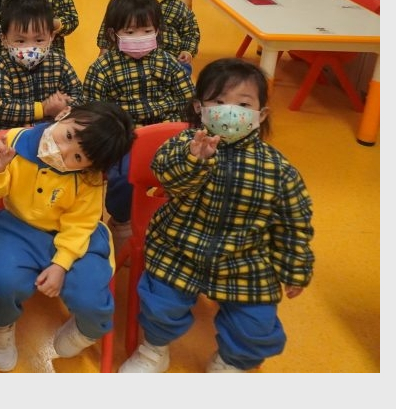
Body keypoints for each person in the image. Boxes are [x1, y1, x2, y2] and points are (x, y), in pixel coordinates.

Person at [120, 58, 314, 374]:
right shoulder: (184, 144)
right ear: (200, 108)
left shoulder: (278, 169)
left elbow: (293, 223)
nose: (230, 111)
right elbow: (166, 178)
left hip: (244, 258)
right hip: (178, 246)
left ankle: (230, 362)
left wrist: (295, 268)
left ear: (261, 114)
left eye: (243, 104)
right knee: (159, 305)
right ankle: (154, 350)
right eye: (219, 102)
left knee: (256, 328)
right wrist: (194, 161)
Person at [0, 102, 134, 372]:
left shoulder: (89, 178)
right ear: (64, 115)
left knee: (90, 294)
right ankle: (2, 328)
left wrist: (61, 264)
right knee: (3, 281)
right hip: (18, 228)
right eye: (69, 135)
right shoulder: (16, 140)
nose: (63, 151)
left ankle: (86, 331)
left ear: (91, 166)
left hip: (75, 237)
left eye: (78, 157)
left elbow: (80, 223)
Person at [0, 0, 83, 228]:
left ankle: (59, 216)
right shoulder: (1, 66)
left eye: (39, 39)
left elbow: (80, 98)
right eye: (20, 40)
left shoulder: (60, 64)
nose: (30, 48)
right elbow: (0, 107)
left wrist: (64, 109)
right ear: (4, 39)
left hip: (55, 135)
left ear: (52, 36)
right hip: (7, 138)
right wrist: (43, 108)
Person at [82, 0, 195, 242]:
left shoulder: (167, 63)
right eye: (130, 32)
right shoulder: (102, 68)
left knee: (196, 167)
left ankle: (180, 214)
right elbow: (93, 109)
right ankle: (121, 219)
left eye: (146, 31)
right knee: (124, 175)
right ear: (113, 34)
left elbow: (188, 100)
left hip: (167, 134)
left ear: (157, 31)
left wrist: (177, 125)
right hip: (125, 137)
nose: (139, 38)